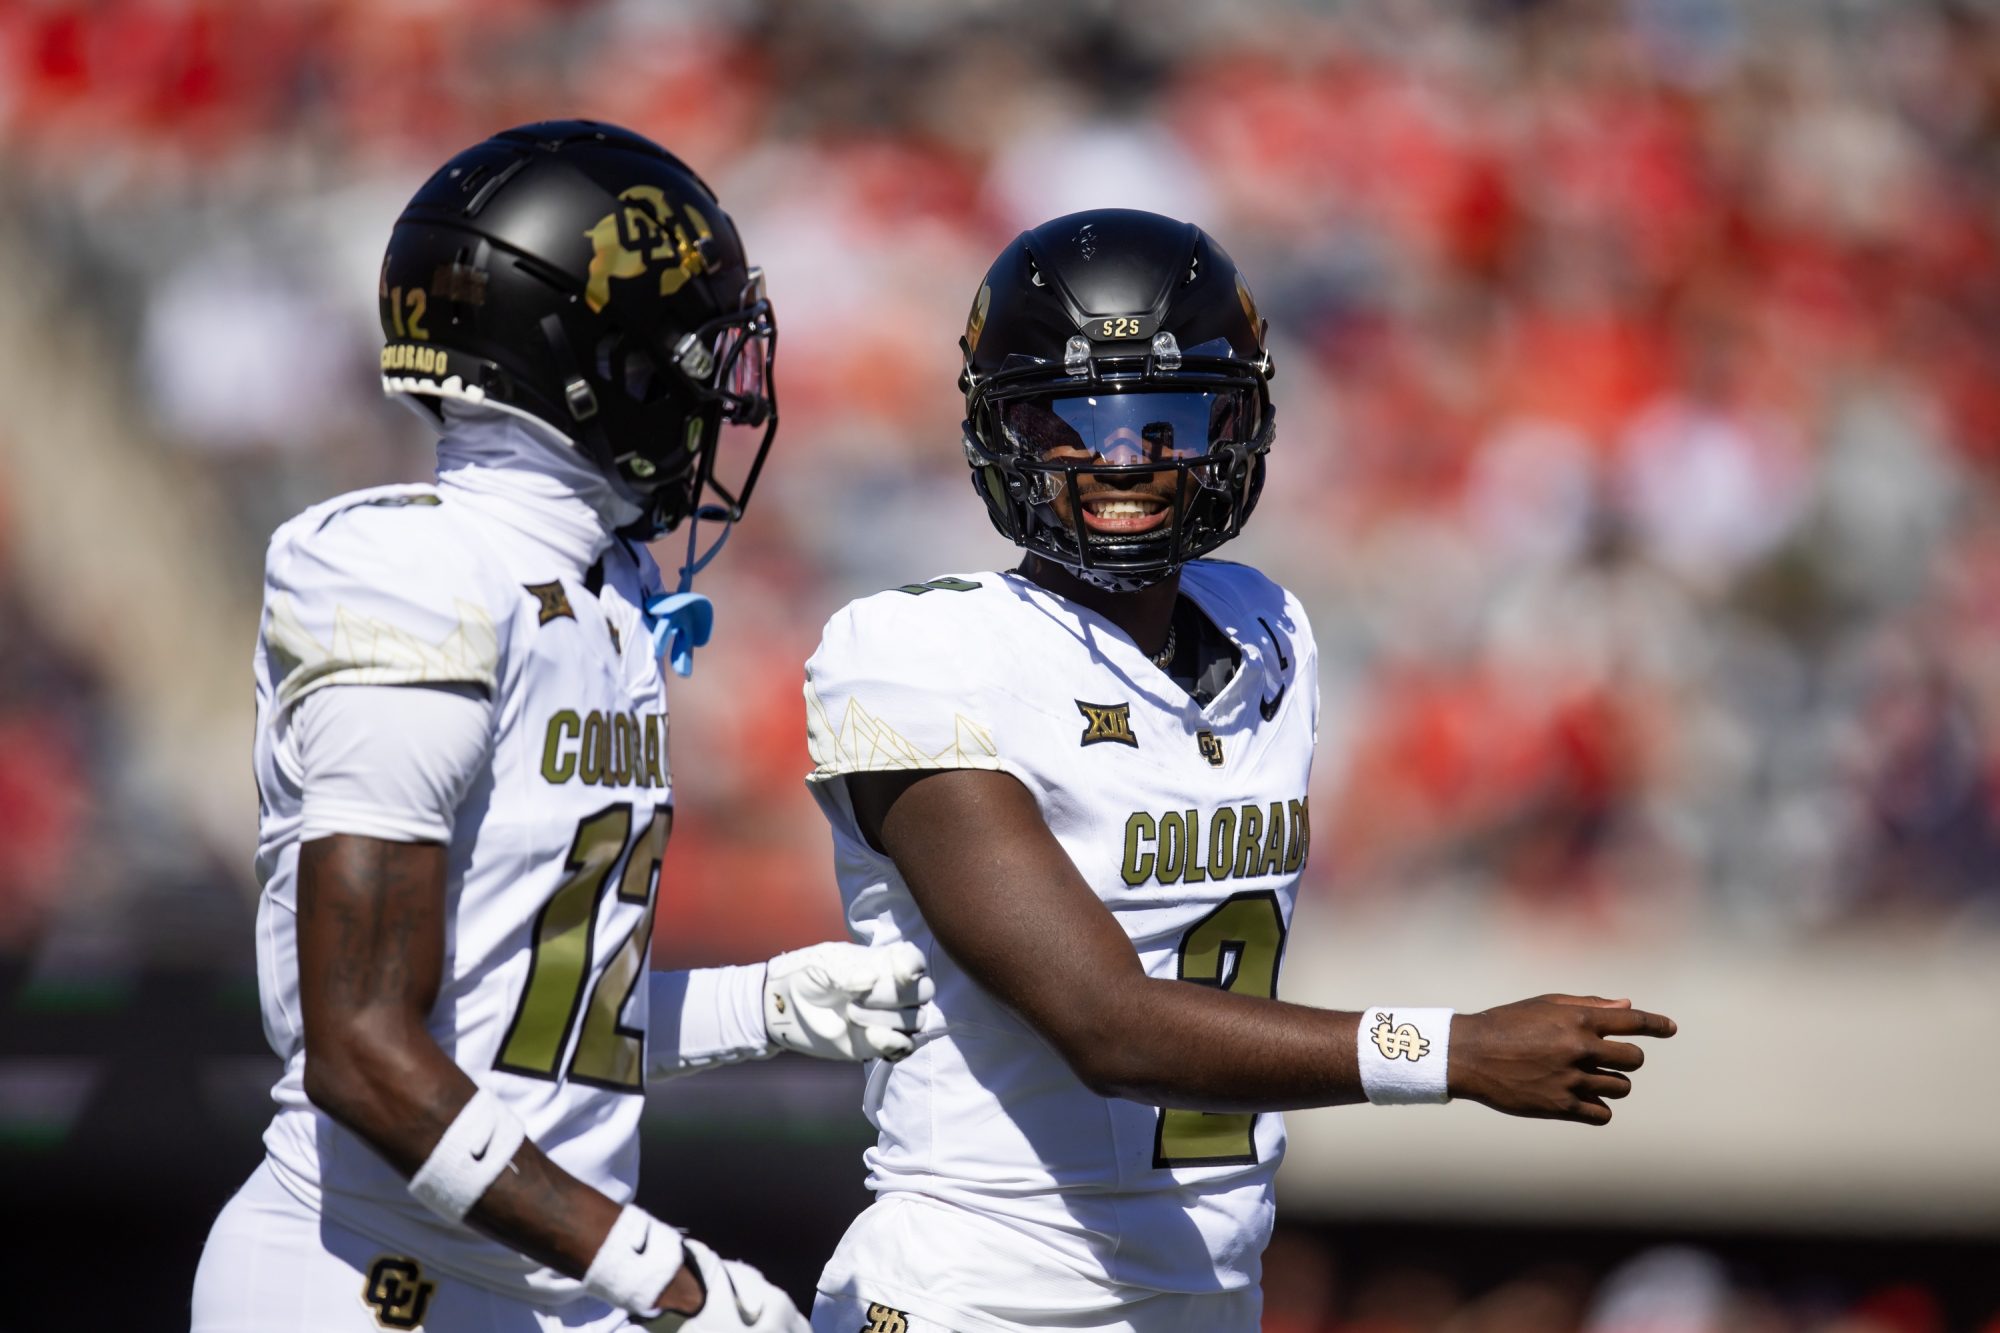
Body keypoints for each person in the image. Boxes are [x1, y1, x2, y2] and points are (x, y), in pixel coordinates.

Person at [799, 208, 1678, 1333]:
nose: (1123, 458)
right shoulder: (919, 654)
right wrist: (1448, 1050)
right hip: (978, 1290)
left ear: (1235, 422)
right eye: (1071, 418)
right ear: (1001, 428)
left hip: (1206, 1287)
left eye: (1166, 417)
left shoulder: (1267, 628)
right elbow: (1103, 1021)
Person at [193, 121, 931, 1333]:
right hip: (362, 1285)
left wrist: (767, 1007)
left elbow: (530, 1023)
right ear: (599, 361)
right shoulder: (416, 570)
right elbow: (365, 1051)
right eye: (690, 352)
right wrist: (663, 1277)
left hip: (519, 1285)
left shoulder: (604, 591)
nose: (720, 389)